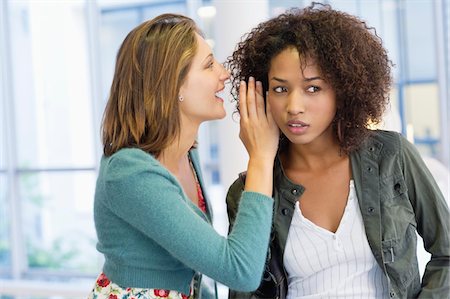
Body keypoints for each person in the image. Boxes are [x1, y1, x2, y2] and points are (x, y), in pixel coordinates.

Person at [226, 3, 450, 299]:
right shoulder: (249, 192)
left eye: (313, 88)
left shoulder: (391, 156)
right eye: (280, 89)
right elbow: (245, 290)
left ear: (343, 89)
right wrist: (261, 160)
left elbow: (446, 254)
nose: (294, 106)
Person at [87, 13, 279, 299]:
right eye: (208, 65)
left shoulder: (187, 151)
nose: (223, 73)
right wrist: (261, 158)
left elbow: (186, 270)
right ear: (172, 85)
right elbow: (241, 270)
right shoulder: (130, 173)